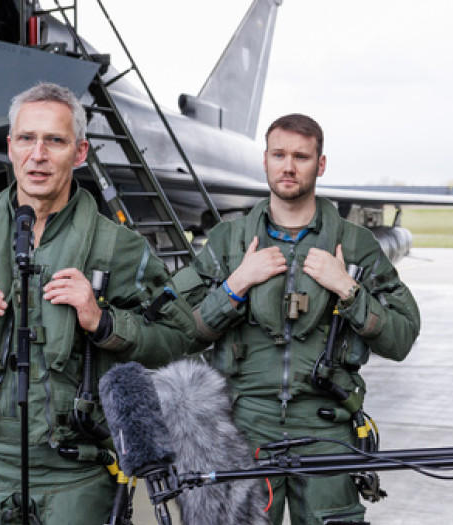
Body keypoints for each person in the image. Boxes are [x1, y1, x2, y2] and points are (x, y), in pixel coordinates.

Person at [0, 82, 192, 524]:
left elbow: (178, 336)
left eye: (55, 140)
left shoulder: (118, 248)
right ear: (10, 147)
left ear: (80, 151)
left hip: (75, 469)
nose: (39, 154)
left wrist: (104, 322)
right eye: (27, 138)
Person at [172, 113, 421, 525]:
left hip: (326, 429)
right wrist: (234, 286)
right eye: (279, 155)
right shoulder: (229, 243)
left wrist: (348, 290)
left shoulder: (355, 245)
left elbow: (401, 338)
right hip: (244, 429)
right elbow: (177, 335)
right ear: (265, 160)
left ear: (320, 165)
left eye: (301, 156)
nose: (288, 166)